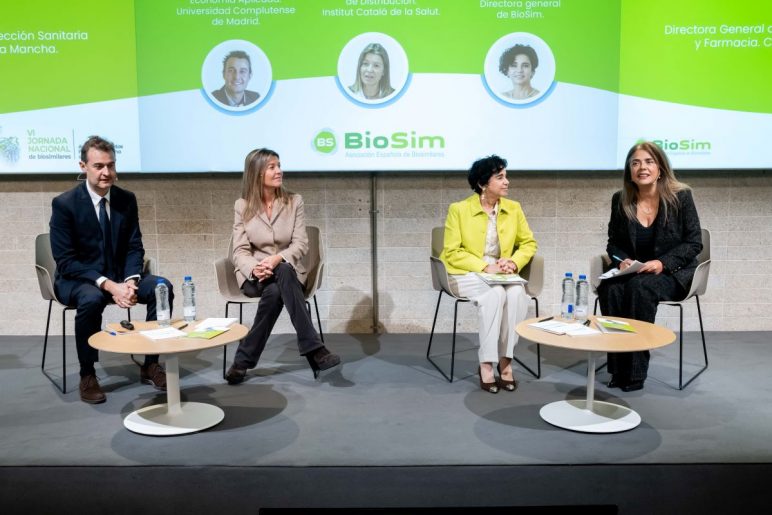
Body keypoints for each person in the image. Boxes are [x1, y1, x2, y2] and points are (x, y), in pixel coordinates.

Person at [49, 136, 172, 404]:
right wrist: (108, 285)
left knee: (163, 287)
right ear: (83, 166)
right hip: (78, 280)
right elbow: (66, 260)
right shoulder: (64, 204)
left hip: (120, 277)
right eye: (99, 166)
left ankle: (151, 363)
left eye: (111, 165)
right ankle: (87, 373)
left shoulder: (126, 200)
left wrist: (130, 282)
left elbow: (134, 246)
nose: (107, 173)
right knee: (91, 299)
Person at [225, 148, 341, 384]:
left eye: (279, 165)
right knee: (279, 280)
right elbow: (239, 251)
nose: (279, 171)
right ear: (257, 173)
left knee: (280, 281)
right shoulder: (242, 205)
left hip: (285, 273)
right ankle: (314, 348)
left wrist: (278, 259)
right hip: (254, 278)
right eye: (272, 167)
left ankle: (242, 361)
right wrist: (255, 268)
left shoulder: (293, 201)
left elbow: (301, 244)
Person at [598, 141, 702, 392]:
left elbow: (694, 242)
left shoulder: (681, 196)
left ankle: (634, 372)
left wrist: (662, 263)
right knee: (609, 288)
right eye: (635, 163)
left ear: (660, 168)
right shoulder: (621, 200)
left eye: (648, 162)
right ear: (629, 171)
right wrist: (621, 259)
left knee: (639, 289)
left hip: (673, 273)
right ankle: (617, 367)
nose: (641, 167)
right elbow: (613, 243)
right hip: (635, 271)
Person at [440, 155, 538, 393]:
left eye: (506, 176)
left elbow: (528, 243)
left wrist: (513, 262)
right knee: (494, 295)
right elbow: (451, 252)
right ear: (483, 183)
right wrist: (485, 266)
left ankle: (506, 362)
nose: (507, 182)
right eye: (500, 177)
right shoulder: (459, 210)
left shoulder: (513, 208)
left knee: (516, 294)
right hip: (467, 272)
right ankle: (486, 364)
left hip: (502, 272)